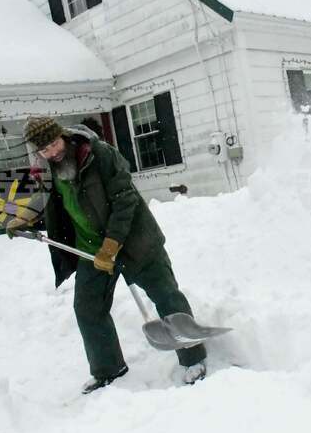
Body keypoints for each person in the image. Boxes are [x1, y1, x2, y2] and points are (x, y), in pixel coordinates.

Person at [12, 116, 206, 394]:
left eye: (54, 144)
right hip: (90, 249)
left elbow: (125, 198)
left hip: (136, 242)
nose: (52, 152)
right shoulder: (47, 168)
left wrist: (112, 244)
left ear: (62, 135)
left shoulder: (99, 154)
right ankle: (108, 369)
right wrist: (25, 217)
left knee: (166, 296)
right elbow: (48, 201)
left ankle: (193, 358)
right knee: (88, 308)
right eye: (44, 150)